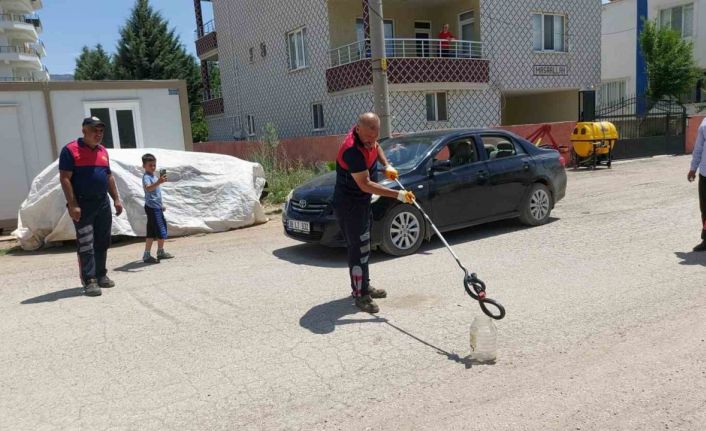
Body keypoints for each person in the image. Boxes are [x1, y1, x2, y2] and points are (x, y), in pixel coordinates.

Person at [333, 113, 416, 313]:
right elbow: (365, 184)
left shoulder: (370, 139)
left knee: (365, 245)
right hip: (349, 205)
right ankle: (360, 296)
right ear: (358, 129)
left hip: (362, 203)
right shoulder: (351, 150)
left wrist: (387, 165)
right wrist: (398, 195)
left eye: (375, 135)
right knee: (357, 249)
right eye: (368, 137)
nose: (372, 141)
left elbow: (377, 147)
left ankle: (364, 285)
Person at [58, 117, 123, 296]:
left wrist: (116, 199)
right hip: (82, 203)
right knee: (86, 242)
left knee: (103, 240)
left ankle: (101, 275)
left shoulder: (103, 151)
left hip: (102, 202)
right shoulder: (70, 150)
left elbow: (108, 176)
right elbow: (64, 178)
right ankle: (89, 280)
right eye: (94, 130)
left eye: (101, 131)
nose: (98, 134)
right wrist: (73, 205)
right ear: (84, 131)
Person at [141, 153, 174, 263]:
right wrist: (158, 182)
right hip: (152, 207)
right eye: (150, 165)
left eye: (154, 165)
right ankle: (160, 252)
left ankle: (147, 254)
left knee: (150, 231)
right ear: (144, 166)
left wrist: (161, 206)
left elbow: (156, 194)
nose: (153, 167)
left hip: (155, 207)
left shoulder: (153, 176)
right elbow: (148, 188)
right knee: (161, 230)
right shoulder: (146, 177)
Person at [688, 116, 706, 251]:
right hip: (705, 174)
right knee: (705, 209)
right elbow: (698, 148)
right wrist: (693, 168)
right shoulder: (705, 124)